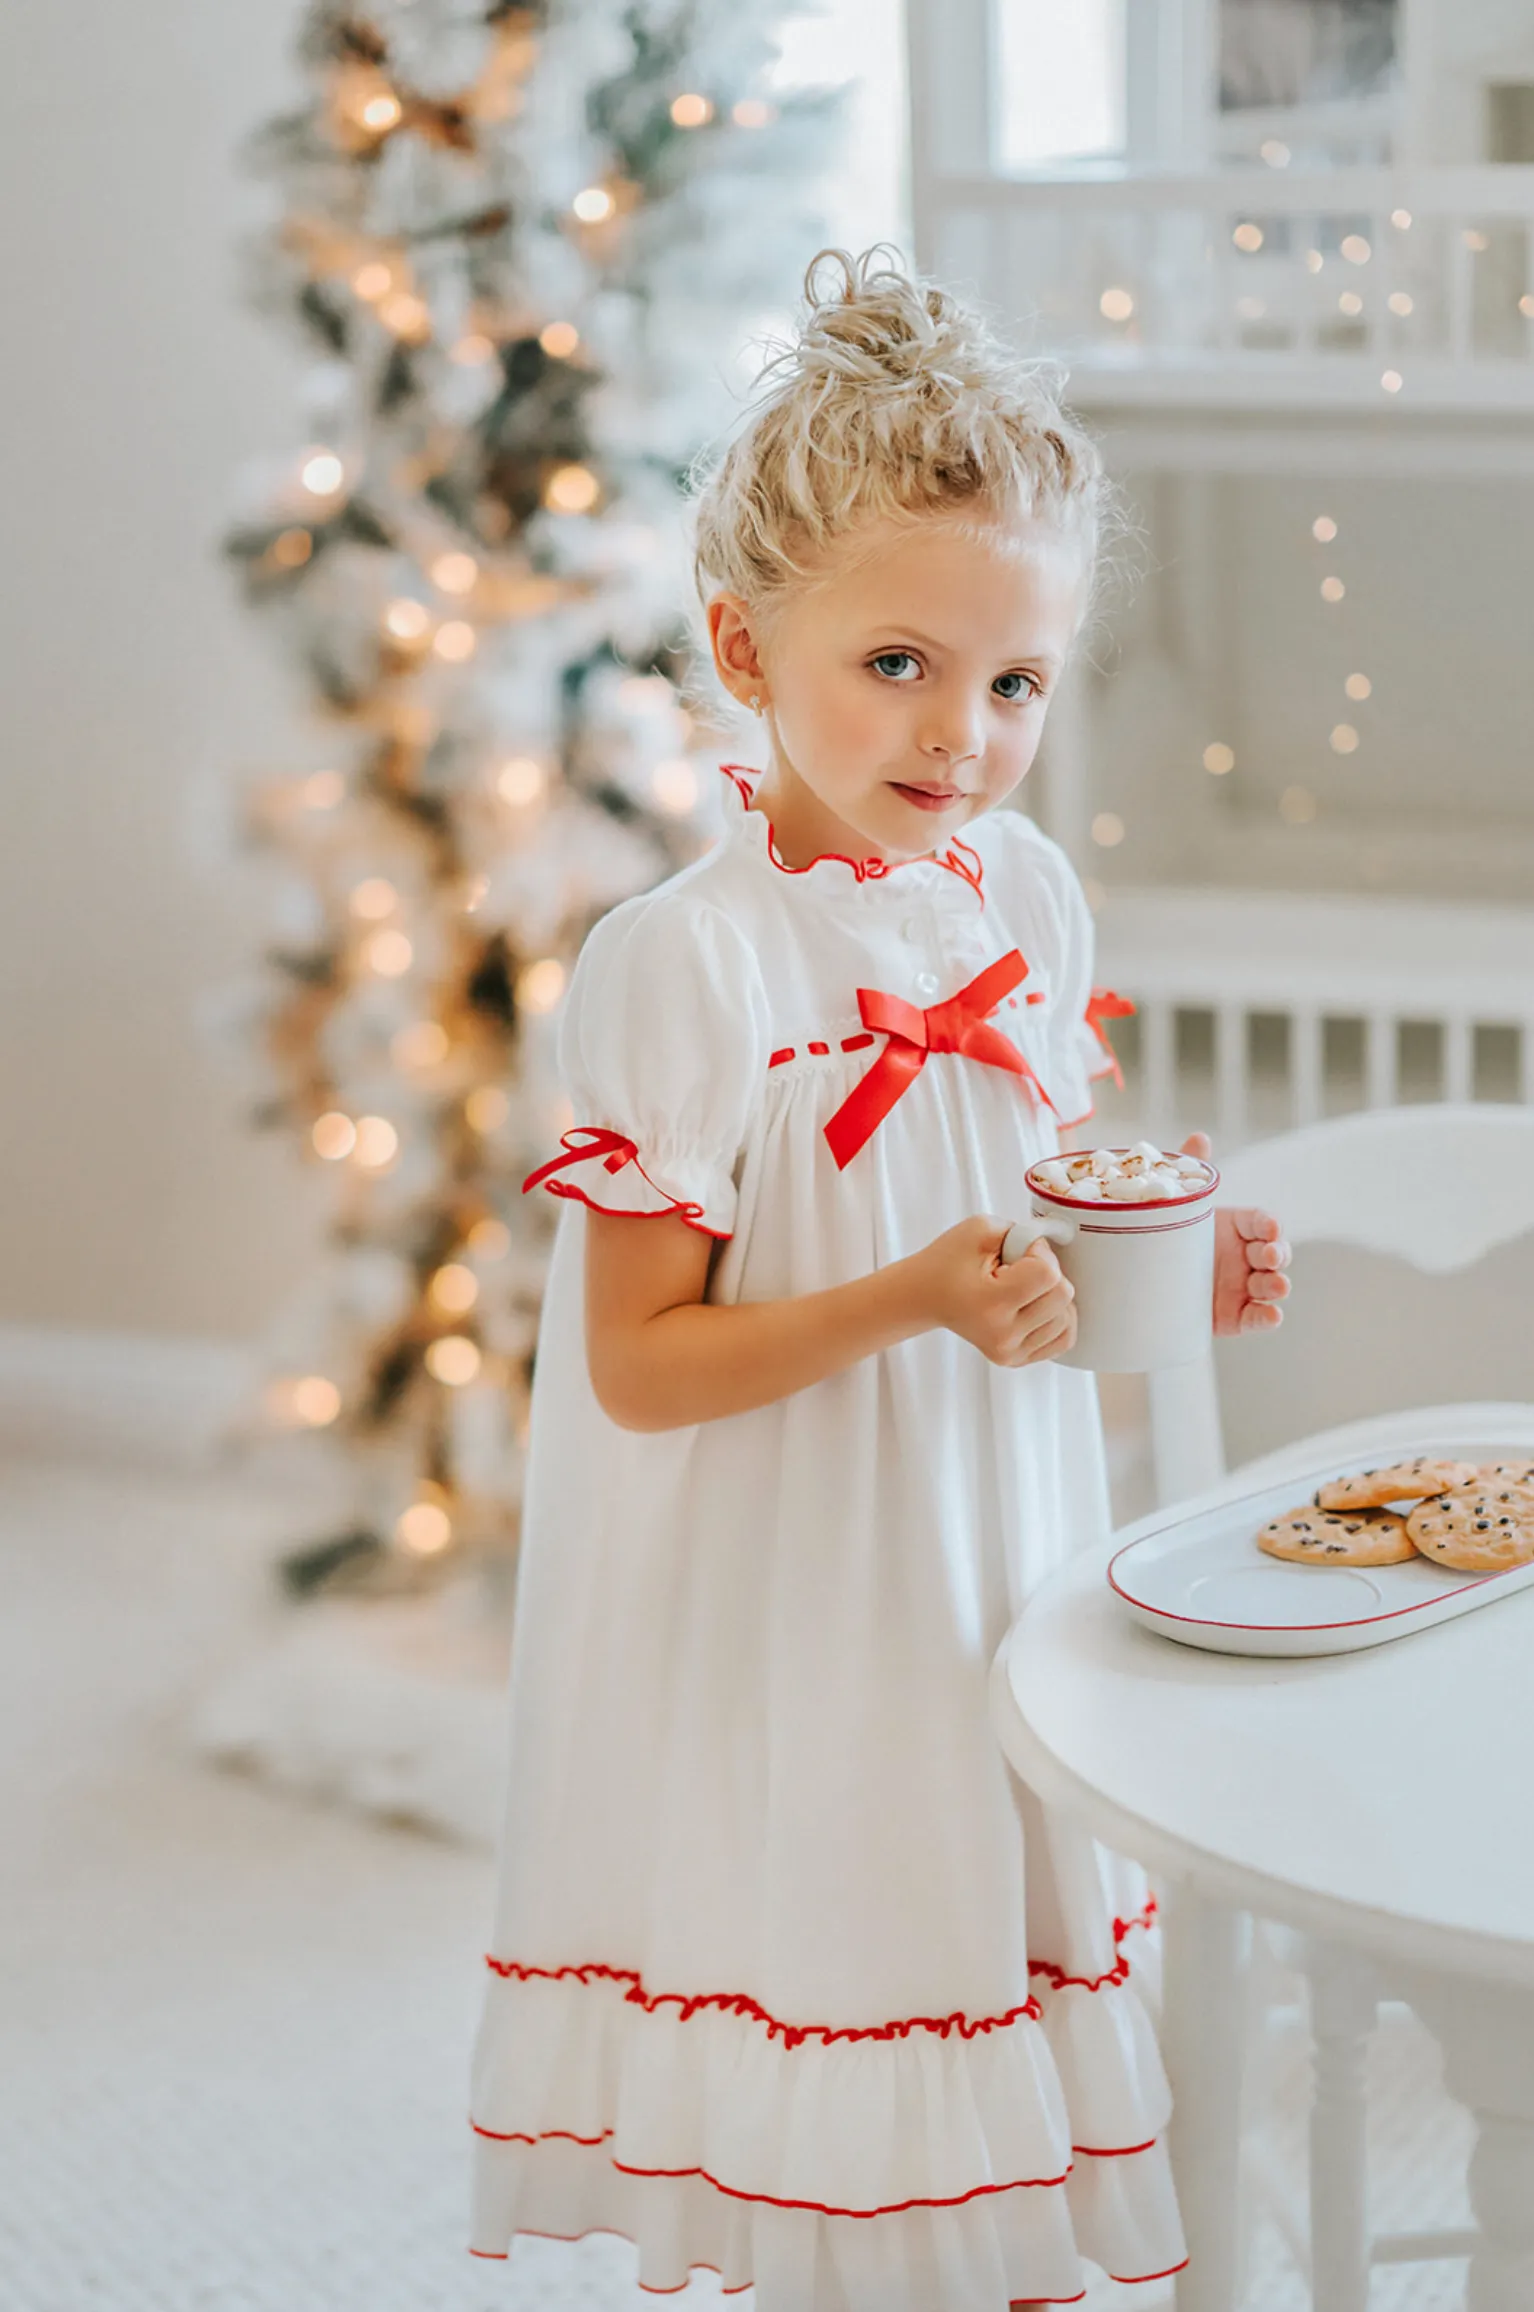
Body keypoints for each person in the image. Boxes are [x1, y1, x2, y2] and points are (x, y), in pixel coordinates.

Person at [469, 247, 1290, 2310]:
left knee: (1001, 1993)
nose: (965, 735)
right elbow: (644, 1368)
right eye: (899, 665)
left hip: (987, 1532)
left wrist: (1163, 1265)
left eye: (1013, 682)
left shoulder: (1015, 887)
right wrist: (912, 1298)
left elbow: (1014, 1227)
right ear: (746, 645)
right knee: (850, 1998)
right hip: (798, 1584)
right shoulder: (691, 962)